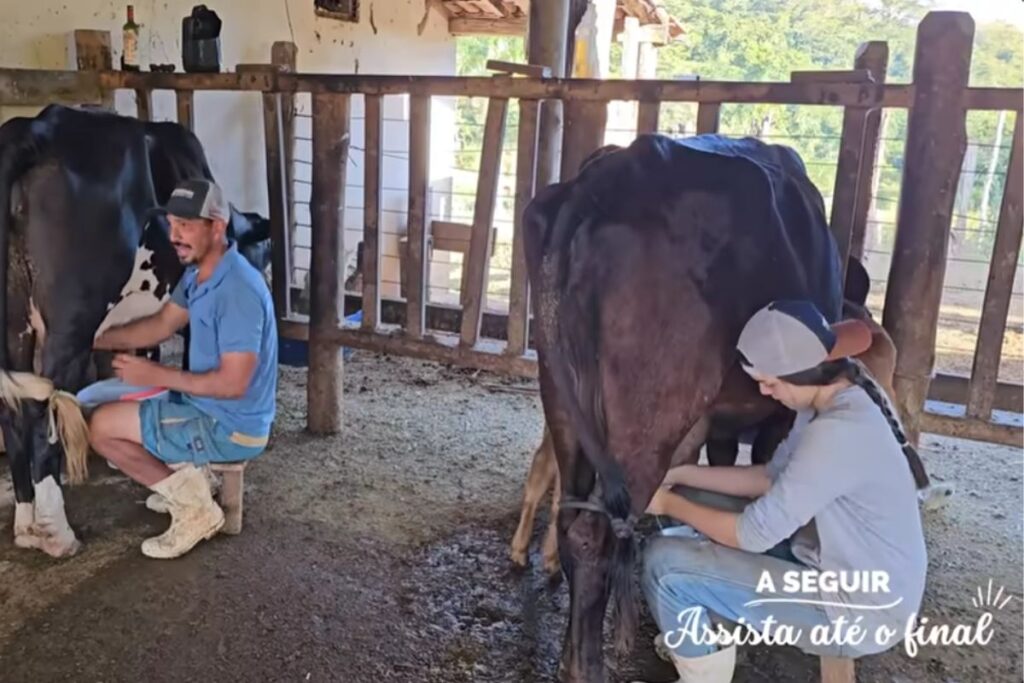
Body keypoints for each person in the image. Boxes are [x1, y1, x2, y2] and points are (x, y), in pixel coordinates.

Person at [634, 300, 928, 683]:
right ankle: (706, 632)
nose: (765, 392)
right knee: (687, 505)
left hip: (859, 611)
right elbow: (771, 477)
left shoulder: (837, 432)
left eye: (770, 382)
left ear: (804, 373)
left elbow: (755, 534)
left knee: (664, 567)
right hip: (831, 562)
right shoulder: (834, 398)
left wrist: (666, 500)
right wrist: (682, 474)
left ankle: (702, 671)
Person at [88, 179, 278, 560]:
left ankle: (195, 509)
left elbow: (233, 383)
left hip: (231, 425)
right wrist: (98, 338)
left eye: (187, 226)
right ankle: (191, 481)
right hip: (208, 406)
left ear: (218, 227)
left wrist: (155, 376)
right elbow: (161, 325)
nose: (175, 236)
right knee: (116, 401)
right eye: (172, 224)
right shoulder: (200, 274)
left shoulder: (237, 290)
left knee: (102, 429)